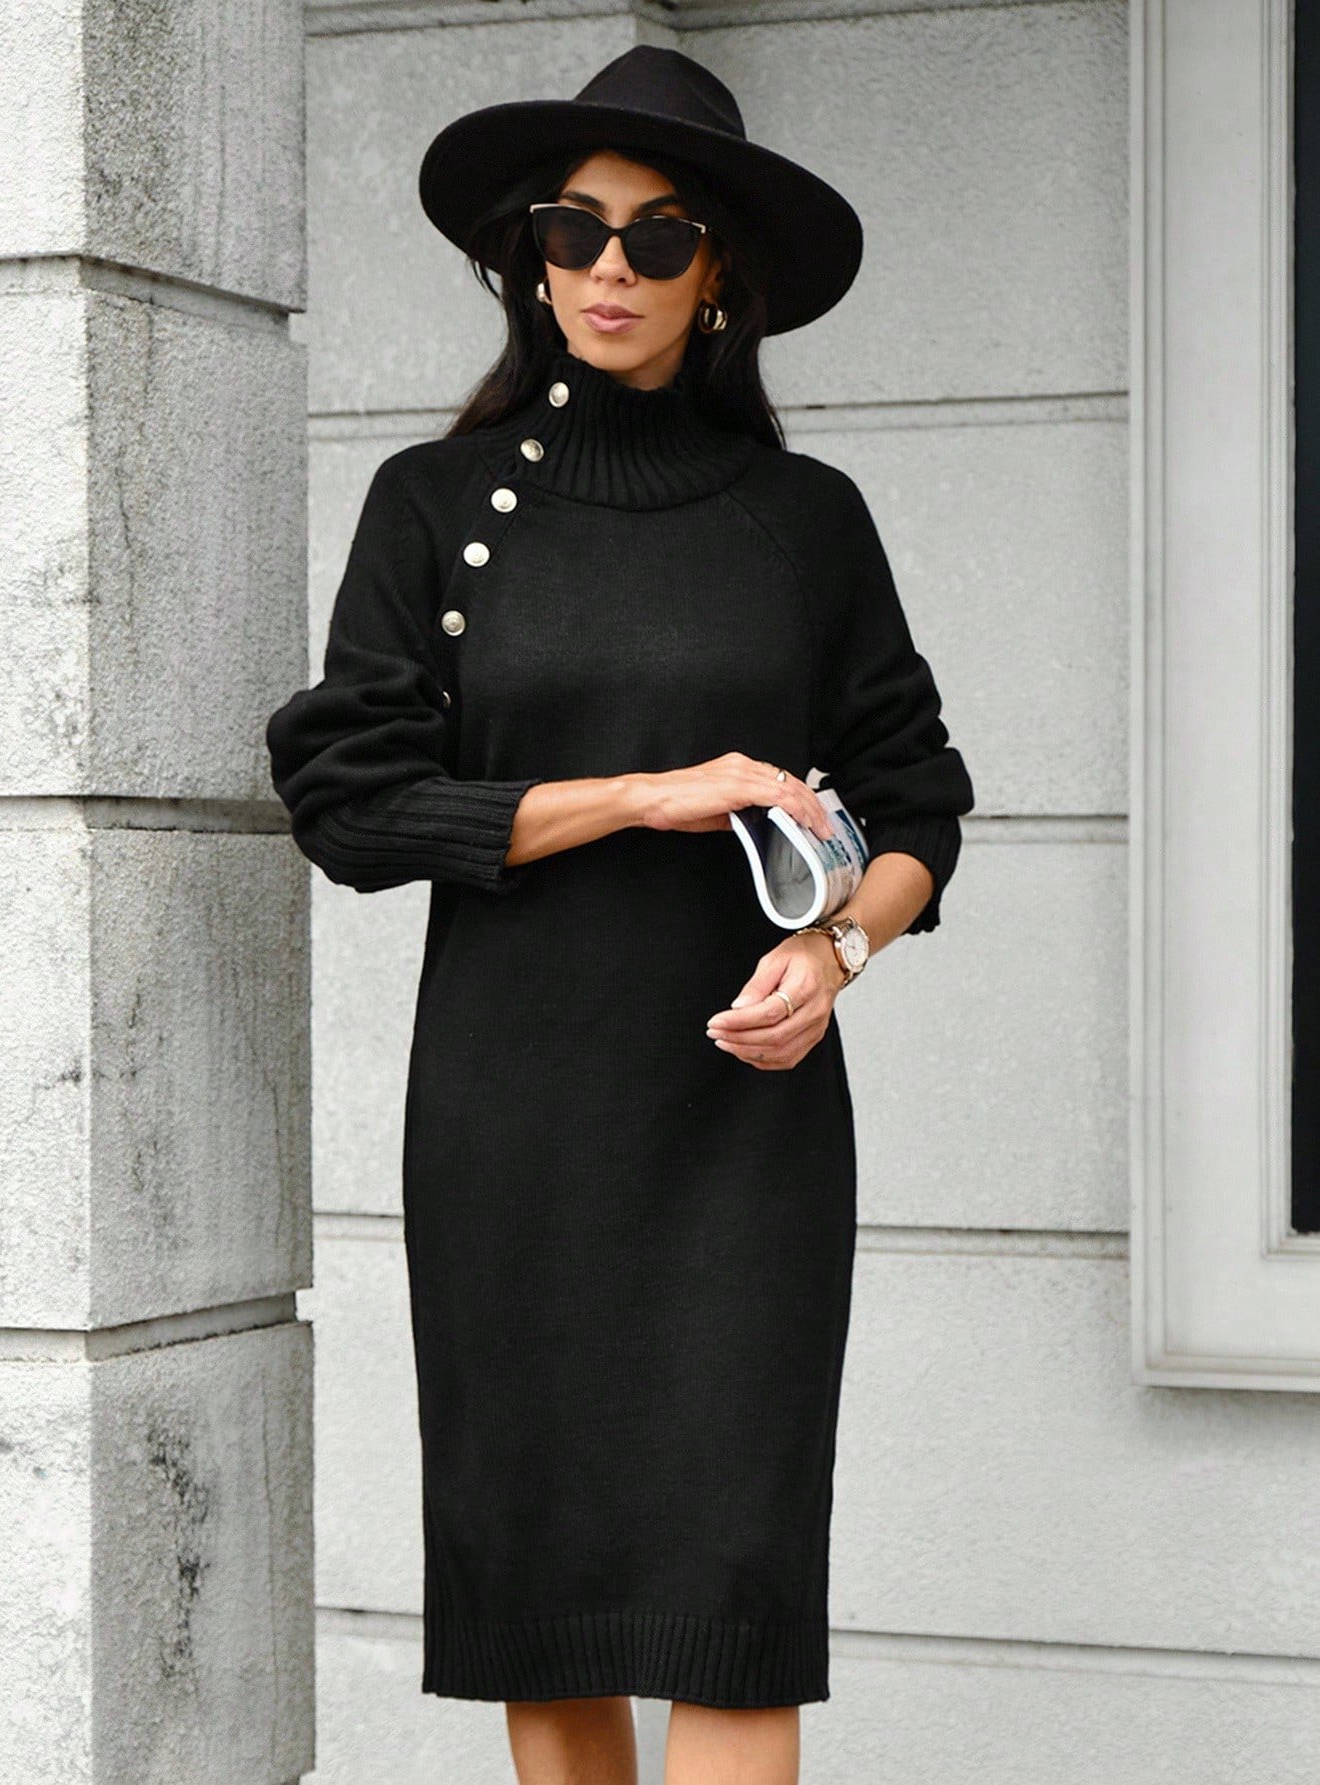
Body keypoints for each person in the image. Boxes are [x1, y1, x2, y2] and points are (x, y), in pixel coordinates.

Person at [266, 43, 974, 1785]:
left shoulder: (806, 522)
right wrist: (649, 792)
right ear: (528, 253)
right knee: (554, 1593)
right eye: (572, 228)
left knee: (731, 1594)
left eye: (658, 237)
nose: (607, 268)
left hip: (742, 1128)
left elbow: (920, 800)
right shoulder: (436, 506)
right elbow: (352, 802)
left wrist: (837, 949)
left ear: (717, 272)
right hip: (514, 1123)